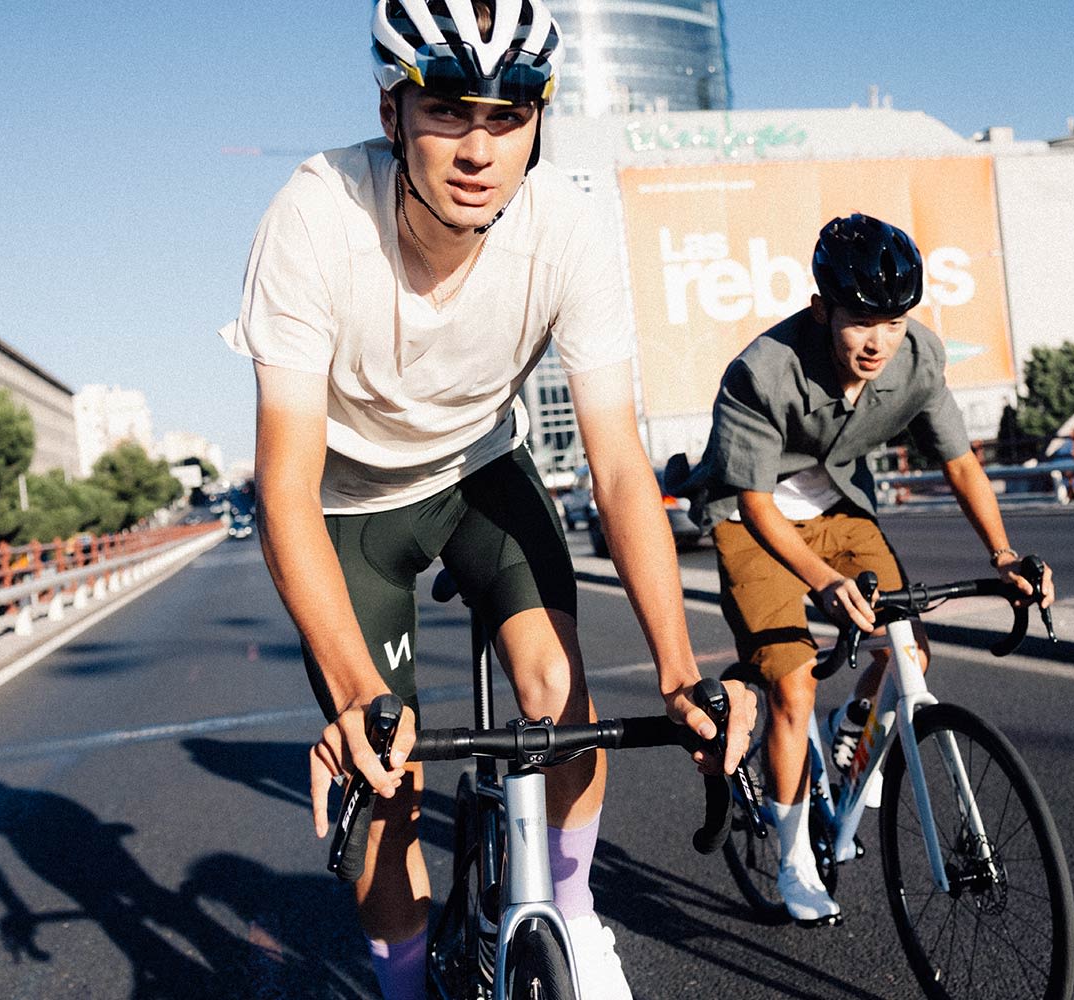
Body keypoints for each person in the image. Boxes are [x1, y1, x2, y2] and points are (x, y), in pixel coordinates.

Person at [223, 3, 753, 997]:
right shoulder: (313, 215)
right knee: (386, 776)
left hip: (479, 477)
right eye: (448, 111)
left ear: (540, 123)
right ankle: (405, 980)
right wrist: (351, 695)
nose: (479, 148)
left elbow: (622, 468)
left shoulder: (570, 229)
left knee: (559, 694)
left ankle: (577, 913)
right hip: (350, 507)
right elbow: (282, 486)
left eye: (509, 115)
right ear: (392, 116)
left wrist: (683, 674)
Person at [671, 214, 1056, 926]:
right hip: (754, 521)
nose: (878, 340)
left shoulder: (918, 358)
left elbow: (960, 461)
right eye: (860, 322)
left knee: (908, 645)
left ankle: (853, 724)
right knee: (790, 683)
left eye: (895, 321)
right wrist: (820, 580)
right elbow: (756, 504)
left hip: (841, 508)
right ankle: (794, 859)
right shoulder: (762, 371)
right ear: (822, 311)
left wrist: (1001, 553)